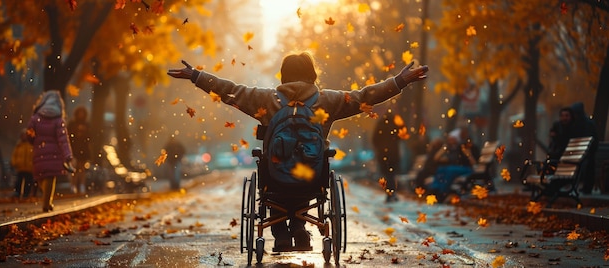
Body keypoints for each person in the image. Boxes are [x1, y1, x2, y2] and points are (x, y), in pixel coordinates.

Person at [167, 52, 428, 251]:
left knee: (275, 167)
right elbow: (365, 97)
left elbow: (229, 90)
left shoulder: (266, 99)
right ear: (312, 75)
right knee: (307, 166)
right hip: (311, 179)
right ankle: (301, 227)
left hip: (275, 177)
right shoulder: (327, 100)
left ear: (283, 75)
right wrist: (399, 81)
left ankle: (280, 232)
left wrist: (197, 77)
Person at [27, 90, 74, 212]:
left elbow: (29, 134)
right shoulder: (59, 120)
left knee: (41, 177)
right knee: (50, 178)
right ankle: (47, 203)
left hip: (39, 151)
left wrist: (32, 141)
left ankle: (47, 203)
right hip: (54, 154)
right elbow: (63, 140)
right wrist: (68, 155)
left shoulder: (35, 118)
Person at [427, 128, 479, 199]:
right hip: (457, 168)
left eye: (452, 139)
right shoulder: (458, 148)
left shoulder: (473, 148)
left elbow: (474, 164)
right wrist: (444, 149)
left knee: (450, 170)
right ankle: (435, 189)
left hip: (468, 169)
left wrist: (468, 154)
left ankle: (443, 193)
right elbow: (437, 158)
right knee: (441, 169)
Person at [372, 110, 402, 203]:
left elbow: (374, 139)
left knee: (386, 174)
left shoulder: (380, 126)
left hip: (383, 154)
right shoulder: (395, 126)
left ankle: (389, 194)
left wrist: (379, 148)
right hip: (393, 154)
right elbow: (400, 137)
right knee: (392, 174)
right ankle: (392, 193)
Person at [570, 102, 597, 194]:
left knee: (588, 167)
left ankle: (587, 187)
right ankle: (585, 187)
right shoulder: (579, 122)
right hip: (582, 150)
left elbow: (590, 138)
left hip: (589, 151)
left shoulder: (586, 123)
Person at [67, 106, 91, 194]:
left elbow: (90, 137)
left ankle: (81, 185)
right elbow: (68, 136)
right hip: (74, 149)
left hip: (83, 150)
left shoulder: (86, 124)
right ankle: (73, 185)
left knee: (82, 168)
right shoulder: (72, 124)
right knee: (74, 169)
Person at [10, 129, 34, 199]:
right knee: (19, 181)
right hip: (20, 168)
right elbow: (14, 155)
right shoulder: (19, 145)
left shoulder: (31, 145)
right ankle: (17, 193)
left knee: (28, 182)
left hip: (29, 168)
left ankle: (26, 194)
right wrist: (14, 163)